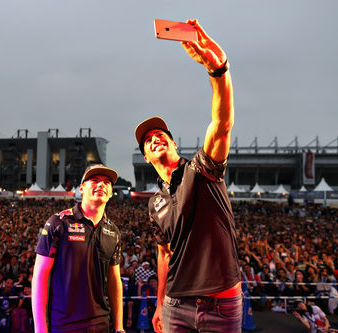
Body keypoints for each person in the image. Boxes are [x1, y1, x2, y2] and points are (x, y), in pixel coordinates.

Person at [134, 19, 241, 332]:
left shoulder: (201, 170)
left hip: (220, 302)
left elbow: (221, 124)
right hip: (175, 305)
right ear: (146, 156)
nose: (155, 137)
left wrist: (218, 68)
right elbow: (165, 256)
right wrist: (158, 303)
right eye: (147, 139)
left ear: (173, 142)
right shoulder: (155, 203)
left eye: (160, 133)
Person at [32, 164, 124, 333]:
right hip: (63, 324)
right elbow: (40, 276)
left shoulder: (113, 232)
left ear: (111, 193)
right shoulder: (58, 222)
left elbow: (114, 280)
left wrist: (119, 326)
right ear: (81, 188)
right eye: (94, 180)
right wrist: (40, 329)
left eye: (106, 182)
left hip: (101, 324)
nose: (101, 185)